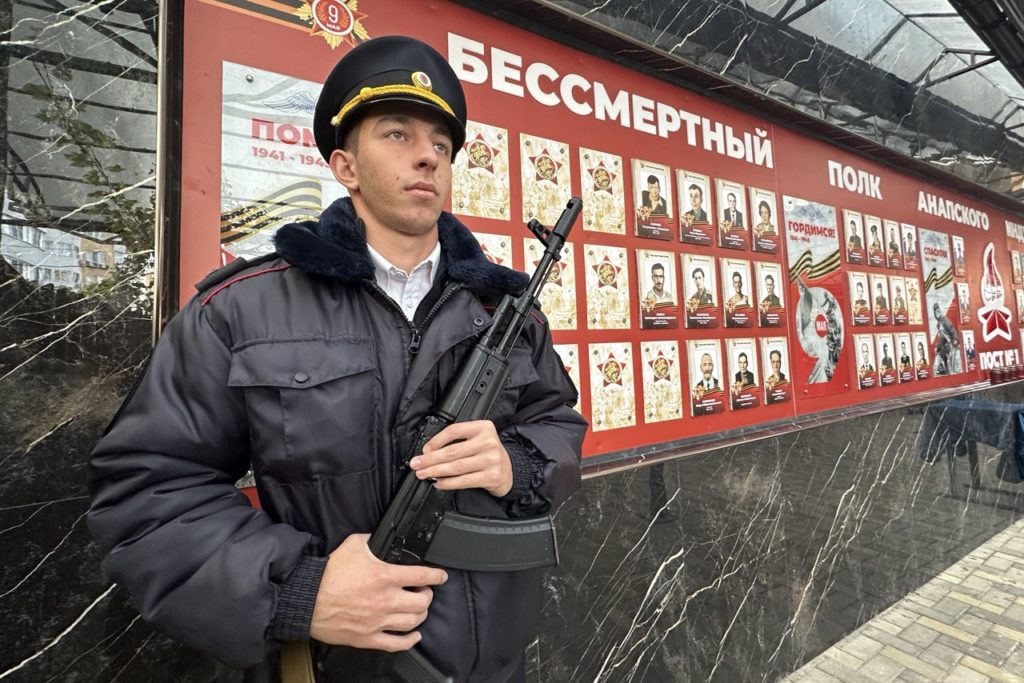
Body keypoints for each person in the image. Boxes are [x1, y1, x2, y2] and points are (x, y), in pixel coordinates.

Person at [86, 36, 587, 683]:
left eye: (441, 144)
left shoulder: (506, 313)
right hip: (328, 667)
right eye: (398, 134)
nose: (427, 156)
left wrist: (515, 463)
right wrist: (298, 589)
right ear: (345, 166)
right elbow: (148, 491)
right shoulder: (242, 310)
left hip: (493, 667)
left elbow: (557, 423)